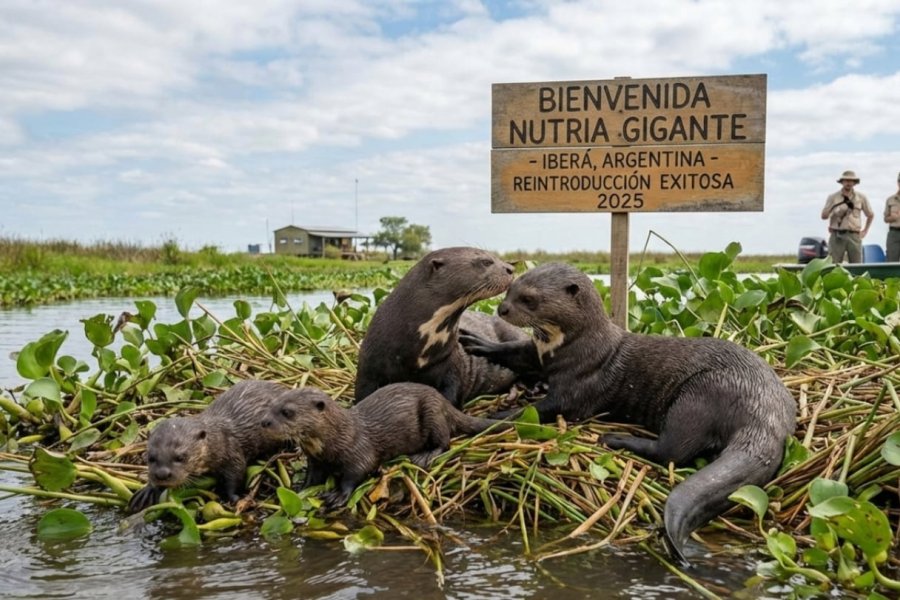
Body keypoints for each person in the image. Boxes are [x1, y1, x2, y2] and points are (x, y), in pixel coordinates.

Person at [820, 170, 873, 263]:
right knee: (833, 265)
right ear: (842, 182)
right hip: (837, 235)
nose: (848, 183)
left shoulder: (861, 197)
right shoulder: (833, 197)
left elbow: (870, 215)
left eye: (851, 180)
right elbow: (824, 216)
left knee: (856, 266)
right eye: (846, 180)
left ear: (854, 182)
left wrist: (865, 231)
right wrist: (834, 210)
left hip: (854, 235)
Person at [884, 171, 900, 262]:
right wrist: (893, 218)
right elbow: (885, 219)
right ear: (898, 183)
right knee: (891, 260)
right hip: (894, 233)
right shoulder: (890, 200)